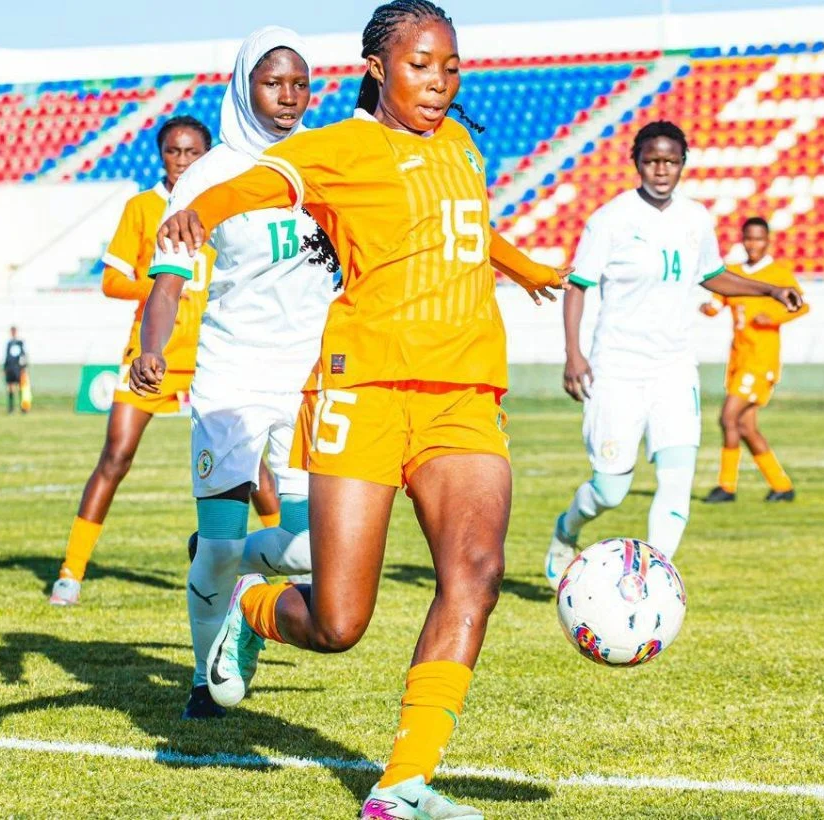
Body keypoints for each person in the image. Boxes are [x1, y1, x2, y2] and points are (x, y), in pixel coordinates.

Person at [132, 2, 565, 814]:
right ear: (376, 68)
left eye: (450, 67)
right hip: (361, 395)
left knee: (474, 575)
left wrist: (526, 266)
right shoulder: (343, 147)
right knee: (338, 622)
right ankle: (253, 610)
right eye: (420, 66)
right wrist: (205, 211)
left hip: (464, 395)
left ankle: (402, 785)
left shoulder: (465, 149)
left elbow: (460, 229)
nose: (439, 83)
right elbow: (266, 180)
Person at [135, 27, 343, 719]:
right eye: (272, 81)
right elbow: (166, 279)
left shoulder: (327, 162)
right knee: (219, 550)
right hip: (232, 379)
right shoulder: (207, 175)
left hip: (315, 381)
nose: (288, 97)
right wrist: (153, 348)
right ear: (244, 83)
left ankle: (245, 597)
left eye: (300, 83)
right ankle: (203, 676)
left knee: (318, 553)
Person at [543, 124, 804, 589]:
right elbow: (578, 287)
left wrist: (768, 288)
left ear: (683, 162)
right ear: (635, 161)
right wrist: (573, 355)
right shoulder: (611, 219)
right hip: (618, 368)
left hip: (674, 368)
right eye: (651, 160)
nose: (661, 170)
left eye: (670, 160)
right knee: (610, 490)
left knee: (676, 480)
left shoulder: (696, 218)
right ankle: (567, 530)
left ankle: (651, 584)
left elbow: (714, 274)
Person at [48, 115, 277, 607]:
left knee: (251, 463)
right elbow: (112, 280)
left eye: (192, 152)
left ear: (206, 155)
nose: (182, 161)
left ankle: (285, 562)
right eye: (174, 152)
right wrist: (157, 287)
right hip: (152, 354)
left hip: (215, 353)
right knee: (116, 455)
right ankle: (71, 571)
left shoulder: (226, 204)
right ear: (161, 155)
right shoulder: (142, 207)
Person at [701, 217, 810, 503]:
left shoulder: (778, 274)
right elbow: (718, 301)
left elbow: (801, 305)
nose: (753, 245)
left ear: (768, 240)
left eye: (759, 239)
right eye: (749, 239)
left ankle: (726, 486)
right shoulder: (734, 273)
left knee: (727, 417)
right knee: (746, 427)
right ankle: (782, 486)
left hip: (761, 361)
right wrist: (708, 309)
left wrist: (773, 317)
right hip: (738, 359)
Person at [3, 327, 28, 414]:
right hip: (10, 369)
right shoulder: (9, 343)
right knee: (10, 388)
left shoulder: (20, 343)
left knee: (21, 388)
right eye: (12, 331)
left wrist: (24, 368)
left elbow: (24, 356)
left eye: (14, 331)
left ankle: (23, 408)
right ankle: (11, 409)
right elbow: (6, 357)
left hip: (18, 369)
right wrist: (4, 368)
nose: (13, 333)